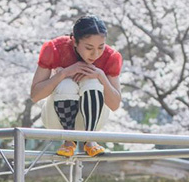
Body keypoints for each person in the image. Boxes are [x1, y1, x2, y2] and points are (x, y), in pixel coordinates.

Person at [30, 15, 123, 158]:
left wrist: (101, 76)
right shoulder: (55, 48)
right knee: (66, 84)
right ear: (74, 41)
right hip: (58, 120)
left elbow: (115, 105)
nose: (95, 54)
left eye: (101, 47)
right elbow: (35, 96)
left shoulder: (111, 57)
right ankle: (68, 141)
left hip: (94, 119)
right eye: (89, 47)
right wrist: (64, 73)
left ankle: (90, 139)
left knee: (93, 82)